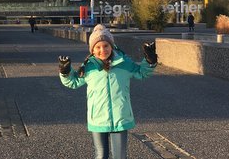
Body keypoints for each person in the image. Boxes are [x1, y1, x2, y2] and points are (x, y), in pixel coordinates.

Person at [58, 24, 158, 159]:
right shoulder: (89, 67)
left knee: (120, 156)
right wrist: (65, 72)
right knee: (100, 155)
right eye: (98, 47)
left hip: (120, 117)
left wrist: (149, 61)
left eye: (106, 46)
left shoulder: (124, 63)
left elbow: (142, 73)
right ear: (92, 50)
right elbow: (73, 82)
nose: (102, 50)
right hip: (98, 117)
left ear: (112, 46)